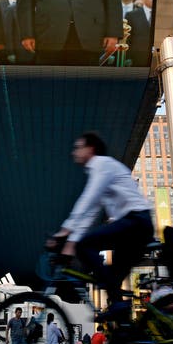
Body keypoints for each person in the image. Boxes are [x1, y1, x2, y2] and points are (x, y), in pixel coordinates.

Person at [46, 132, 153, 314]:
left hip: (136, 222)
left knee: (86, 246)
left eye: (78, 147)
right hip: (134, 227)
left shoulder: (103, 165)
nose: (74, 152)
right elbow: (91, 212)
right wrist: (71, 239)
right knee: (113, 283)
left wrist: (65, 231)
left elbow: (88, 198)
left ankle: (117, 303)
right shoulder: (101, 170)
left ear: (91, 149)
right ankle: (125, 330)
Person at [124, 0, 153, 66]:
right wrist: (128, 58)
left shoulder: (161, 16)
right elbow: (128, 38)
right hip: (136, 58)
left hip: (155, 57)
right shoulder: (131, 15)